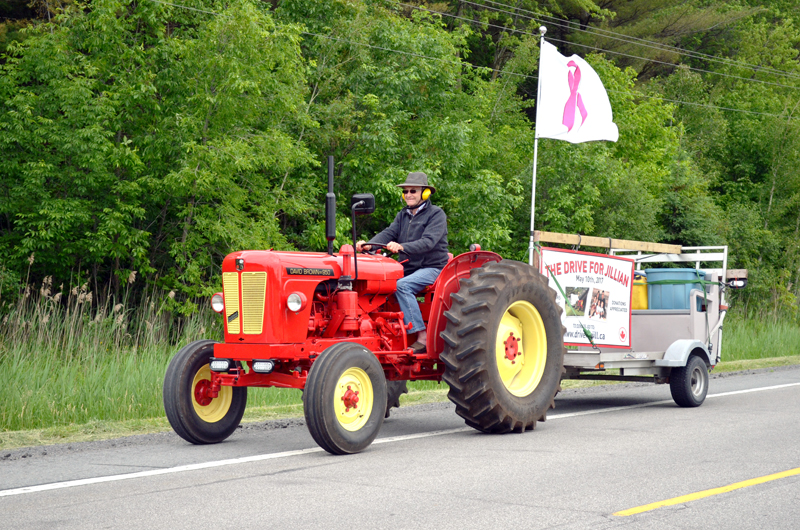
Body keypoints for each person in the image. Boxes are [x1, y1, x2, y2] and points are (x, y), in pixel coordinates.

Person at [356, 172, 449, 353]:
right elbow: (388, 233)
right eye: (405, 191)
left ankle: (421, 336)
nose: (408, 195)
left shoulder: (436, 215)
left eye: (413, 191)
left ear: (425, 193)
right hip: (408, 267)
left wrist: (402, 247)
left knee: (402, 286)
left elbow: (428, 242)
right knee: (378, 283)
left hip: (431, 267)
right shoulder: (403, 215)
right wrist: (368, 244)